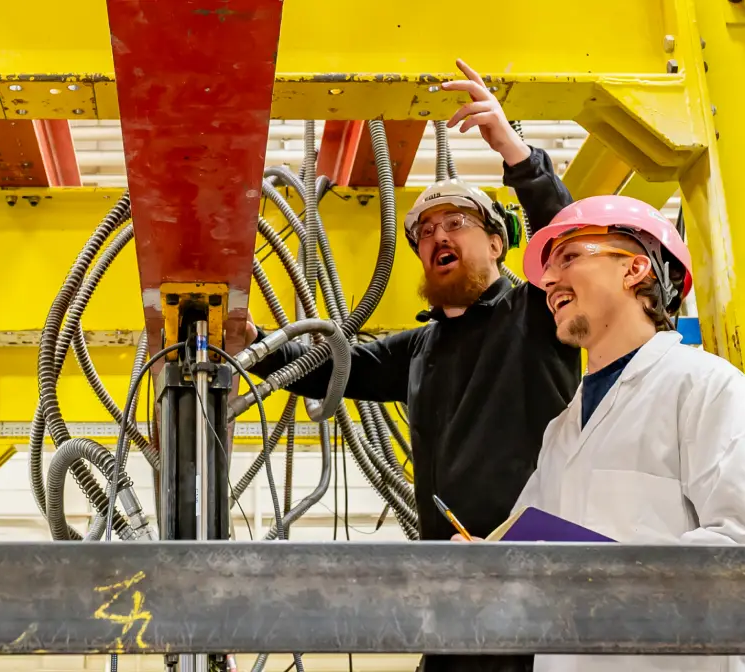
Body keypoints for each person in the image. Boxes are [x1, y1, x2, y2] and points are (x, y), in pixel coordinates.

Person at [236, 60, 574, 672]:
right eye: (425, 231)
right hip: (452, 591)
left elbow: (570, 250)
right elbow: (339, 365)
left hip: (537, 584)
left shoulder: (536, 317)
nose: (438, 235)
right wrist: (253, 340)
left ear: (498, 243)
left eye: (457, 223)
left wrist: (517, 156)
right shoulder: (422, 349)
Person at [500, 195, 745, 672]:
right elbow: (523, 542)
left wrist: (605, 573)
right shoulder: (562, 429)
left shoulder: (707, 388)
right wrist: (488, 560)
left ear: (635, 269)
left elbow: (738, 545)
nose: (548, 280)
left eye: (569, 257)